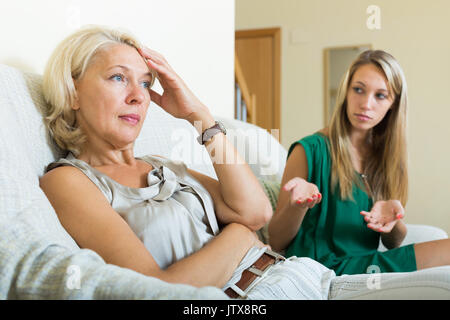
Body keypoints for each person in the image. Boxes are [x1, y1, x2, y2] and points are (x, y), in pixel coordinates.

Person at [39, 25, 338, 300]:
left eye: (145, 83)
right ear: (72, 92)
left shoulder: (160, 163)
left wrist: (201, 117)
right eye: (118, 77)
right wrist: (241, 234)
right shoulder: (68, 180)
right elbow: (159, 290)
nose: (138, 97)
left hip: (306, 275)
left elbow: (256, 212)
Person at [268, 49, 450, 276]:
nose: (366, 104)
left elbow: (393, 242)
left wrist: (393, 222)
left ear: (393, 103)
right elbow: (275, 240)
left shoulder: (387, 160)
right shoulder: (310, 149)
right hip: (321, 269)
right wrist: (298, 206)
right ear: (346, 92)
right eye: (358, 90)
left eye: (380, 95)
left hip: (366, 266)